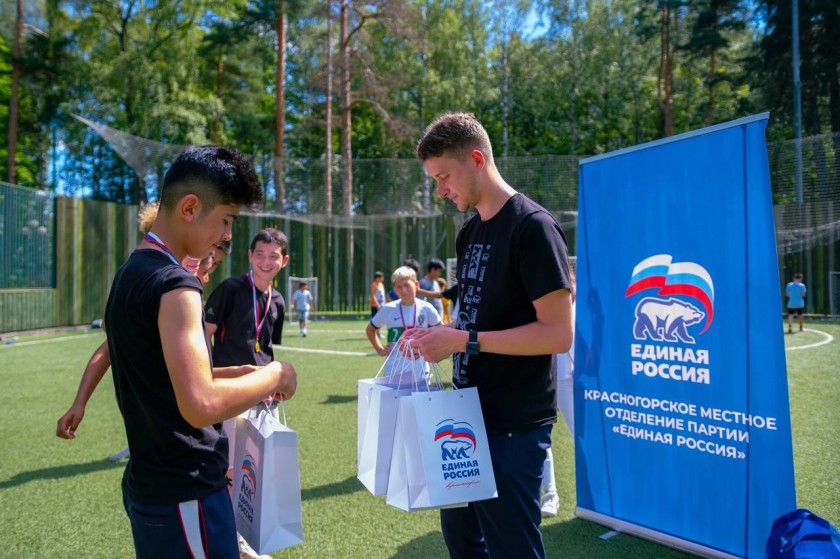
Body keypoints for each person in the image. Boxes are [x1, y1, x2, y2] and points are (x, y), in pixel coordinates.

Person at [104, 146, 298, 559]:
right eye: (226, 219)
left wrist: (236, 374)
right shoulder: (177, 285)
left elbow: (161, 378)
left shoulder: (132, 271)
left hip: (152, 482)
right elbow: (199, 404)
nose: (227, 234)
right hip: (185, 490)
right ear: (190, 208)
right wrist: (276, 373)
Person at [403, 113, 573, 559]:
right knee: (462, 540)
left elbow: (558, 334)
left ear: (476, 159)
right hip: (463, 417)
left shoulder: (533, 227)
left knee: (512, 548)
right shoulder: (471, 229)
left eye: (444, 176)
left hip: (513, 426)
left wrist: (464, 341)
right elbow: (478, 314)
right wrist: (442, 331)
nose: (441, 190)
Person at [56, 204, 226, 443]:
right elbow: (107, 350)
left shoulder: (162, 280)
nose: (206, 273)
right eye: (207, 265)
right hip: (169, 428)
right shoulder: (166, 289)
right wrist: (271, 379)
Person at [540, 268, 577, 518]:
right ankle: (550, 495)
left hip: (573, 381)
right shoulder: (540, 300)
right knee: (542, 440)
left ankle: (597, 499)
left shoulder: (582, 306)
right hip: (541, 379)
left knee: (583, 440)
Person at [365, 265, 442, 375]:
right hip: (393, 370)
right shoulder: (388, 308)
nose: (403, 290)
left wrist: (434, 348)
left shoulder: (426, 307)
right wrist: (380, 349)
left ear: (416, 284)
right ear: (394, 289)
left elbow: (441, 330)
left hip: (420, 371)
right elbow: (370, 330)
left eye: (407, 285)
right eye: (398, 287)